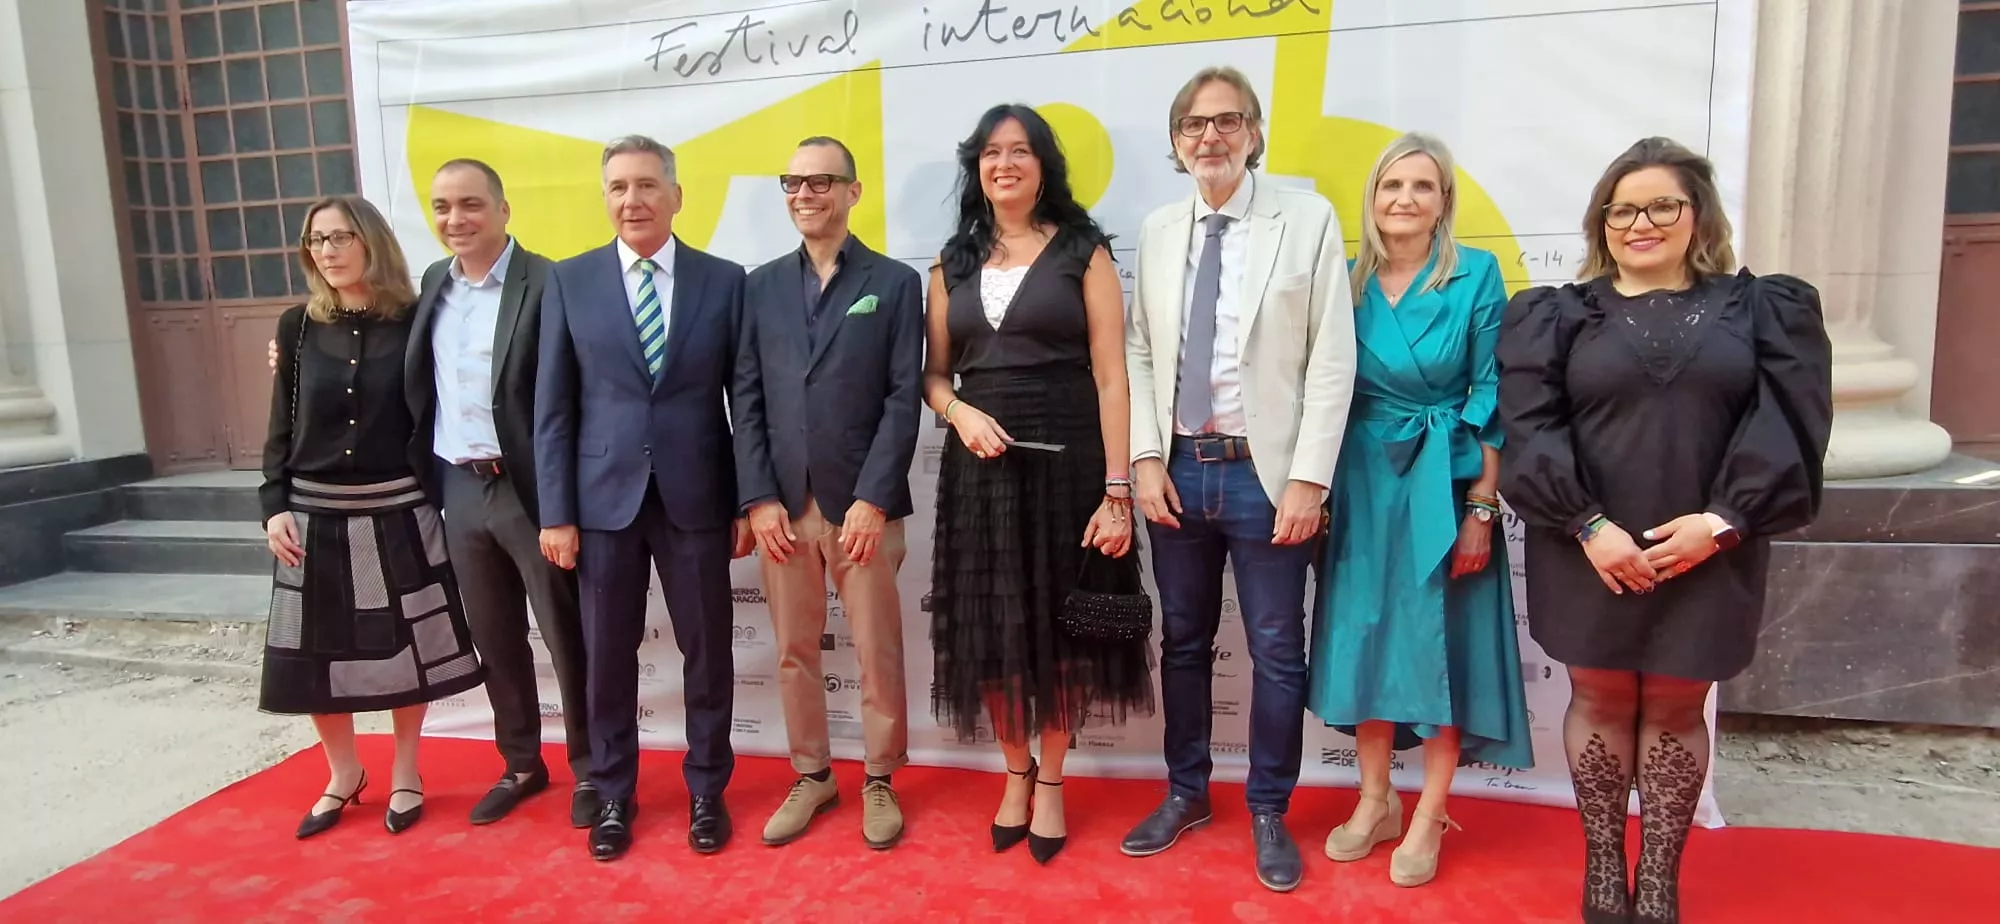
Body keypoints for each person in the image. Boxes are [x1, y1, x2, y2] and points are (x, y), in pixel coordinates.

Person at [1497, 137, 1831, 924]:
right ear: (1601, 222)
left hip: (1712, 548)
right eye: (1621, 209)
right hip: (1588, 545)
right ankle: (1606, 870)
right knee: (1602, 701)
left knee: (1681, 708)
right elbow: (1530, 425)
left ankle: (1659, 881)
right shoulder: (1556, 315)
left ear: (1697, 215)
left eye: (1661, 205)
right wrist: (1588, 524)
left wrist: (1723, 522)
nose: (1639, 222)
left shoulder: (1764, 308)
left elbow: (1790, 421)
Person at [1120, 65, 1356, 893]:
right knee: (1182, 643)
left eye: (1227, 122)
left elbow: (1332, 357)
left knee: (1277, 651)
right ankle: (1186, 791)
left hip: (1268, 474)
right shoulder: (1155, 230)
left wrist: (1309, 480)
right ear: (1177, 144)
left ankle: (1267, 809)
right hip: (1180, 470)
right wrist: (1144, 458)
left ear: (1254, 132)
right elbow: (1141, 349)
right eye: (1193, 125)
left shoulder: (1307, 218)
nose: (1209, 137)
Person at [924, 103, 1153, 866]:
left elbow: (1114, 376)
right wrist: (958, 411)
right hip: (979, 474)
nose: (1005, 164)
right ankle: (1014, 771)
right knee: (989, 631)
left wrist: (1117, 490)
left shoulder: (1084, 253)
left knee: (1065, 630)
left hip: (1071, 463)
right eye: (991, 153)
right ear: (977, 169)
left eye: (1020, 151)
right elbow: (932, 377)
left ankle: (1052, 777)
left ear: (1043, 165)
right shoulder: (949, 265)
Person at [1306, 132, 1533, 888]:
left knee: (1444, 644)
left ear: (1443, 202)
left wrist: (1481, 506)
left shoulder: (1475, 276)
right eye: (1390, 186)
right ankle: (1376, 800)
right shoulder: (1344, 279)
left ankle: (1432, 810)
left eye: (1422, 186)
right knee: (1366, 636)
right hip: (1363, 481)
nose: (1404, 198)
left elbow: (1493, 394)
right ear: (1371, 201)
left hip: (1446, 479)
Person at [534, 134, 753, 862]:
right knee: (606, 656)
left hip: (697, 496)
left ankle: (704, 790)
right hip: (601, 504)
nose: (633, 200)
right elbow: (554, 407)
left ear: (675, 195)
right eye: (619, 188)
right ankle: (614, 793)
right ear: (605, 198)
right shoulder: (570, 282)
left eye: (647, 186)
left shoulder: (725, 281)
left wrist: (748, 501)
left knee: (707, 651)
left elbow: (743, 402)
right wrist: (557, 512)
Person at [260, 194, 485, 839]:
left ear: (370, 242)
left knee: (407, 648)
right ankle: (343, 773)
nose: (327, 251)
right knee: (309, 656)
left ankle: (408, 771)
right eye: (316, 240)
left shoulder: (417, 320)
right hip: (312, 511)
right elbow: (281, 420)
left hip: (398, 505)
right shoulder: (295, 327)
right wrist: (272, 503)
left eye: (339, 237)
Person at [733, 136, 924, 849]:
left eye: (821, 182)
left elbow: (905, 398)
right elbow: (745, 399)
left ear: (853, 191)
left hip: (863, 508)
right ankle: (813, 775)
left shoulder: (895, 283)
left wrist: (874, 498)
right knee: (792, 649)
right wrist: (757, 498)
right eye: (793, 182)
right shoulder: (758, 286)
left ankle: (879, 777)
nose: (805, 194)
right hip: (783, 506)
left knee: (876, 649)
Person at [409, 160, 597, 828]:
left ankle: (591, 769)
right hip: (459, 487)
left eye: (470, 205)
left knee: (566, 636)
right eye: (441, 207)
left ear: (503, 209)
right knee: (495, 637)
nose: (455, 220)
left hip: (529, 490)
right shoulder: (434, 283)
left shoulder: (549, 282)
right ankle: (521, 763)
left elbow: (570, 399)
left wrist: (561, 503)